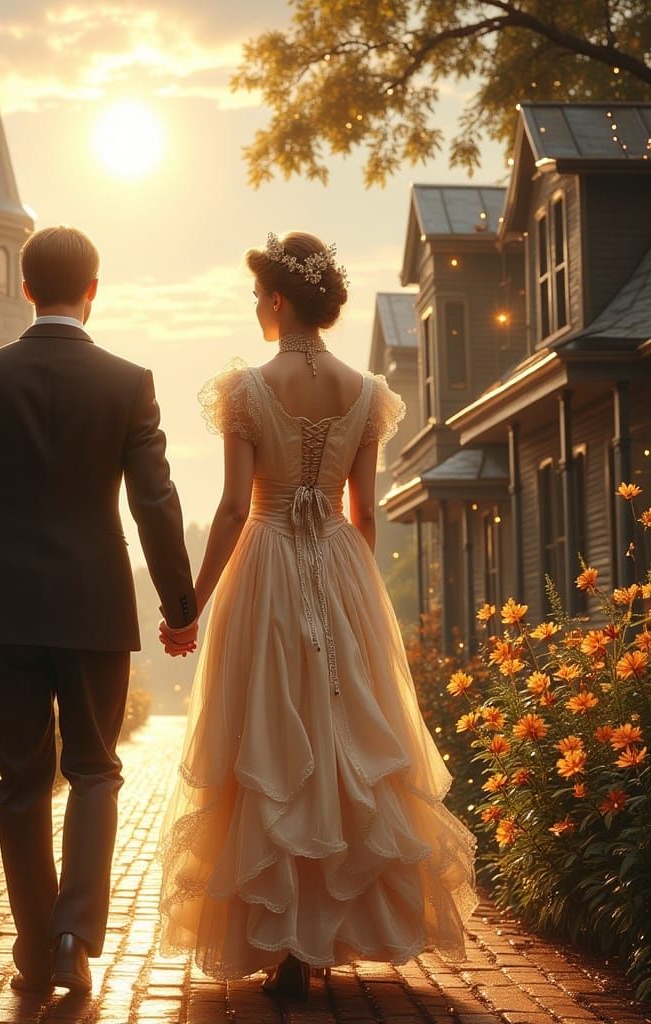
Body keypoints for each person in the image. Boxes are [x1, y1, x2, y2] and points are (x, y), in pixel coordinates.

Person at [158, 231, 477, 999]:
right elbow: (365, 515)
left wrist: (189, 607)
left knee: (268, 738)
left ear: (276, 299)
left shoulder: (245, 389)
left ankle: (285, 945)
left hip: (265, 563)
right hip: (338, 563)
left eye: (257, 295)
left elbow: (235, 507)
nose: (256, 307)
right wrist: (352, 591)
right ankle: (325, 934)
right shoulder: (365, 392)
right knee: (343, 740)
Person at [0, 225, 198, 994]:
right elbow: (156, 502)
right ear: (93, 288)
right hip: (95, 608)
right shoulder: (129, 381)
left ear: (24, 288)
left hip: (5, 609)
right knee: (93, 772)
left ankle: (34, 946)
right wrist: (178, 607)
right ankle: (76, 936)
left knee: (19, 782)